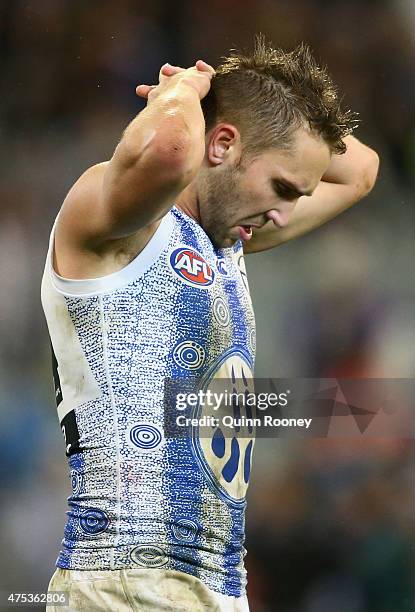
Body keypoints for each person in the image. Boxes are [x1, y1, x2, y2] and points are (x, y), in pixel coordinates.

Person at [41, 37, 379, 611]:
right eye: (280, 187)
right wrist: (185, 90)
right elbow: (172, 149)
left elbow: (361, 172)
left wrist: (259, 101)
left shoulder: (229, 237)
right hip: (123, 579)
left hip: (219, 586)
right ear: (221, 143)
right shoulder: (124, 225)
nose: (285, 214)